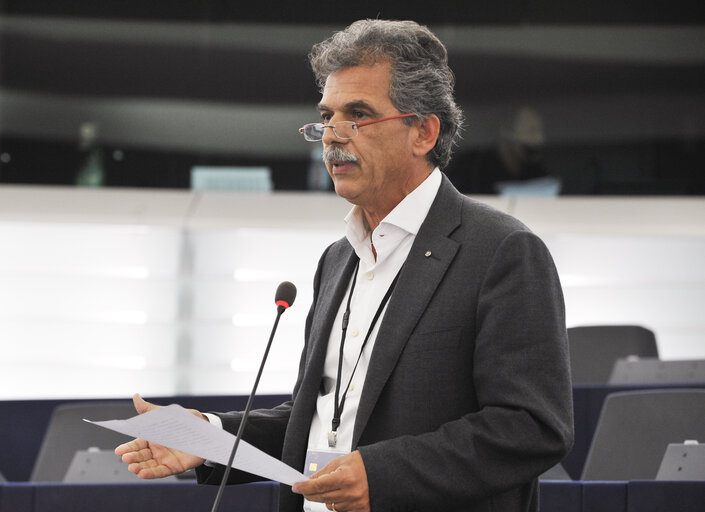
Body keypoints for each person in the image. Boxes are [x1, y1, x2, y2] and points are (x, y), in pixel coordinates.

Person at [115, 19, 573, 512]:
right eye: (326, 117)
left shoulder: (501, 251)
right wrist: (209, 437)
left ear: (422, 132)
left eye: (357, 116)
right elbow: (318, 422)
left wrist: (380, 473)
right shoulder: (337, 259)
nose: (332, 136)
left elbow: (531, 426)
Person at [450, 106, 554, 194]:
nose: (540, 139)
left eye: (541, 132)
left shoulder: (536, 171)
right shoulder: (474, 169)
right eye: (532, 131)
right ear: (508, 132)